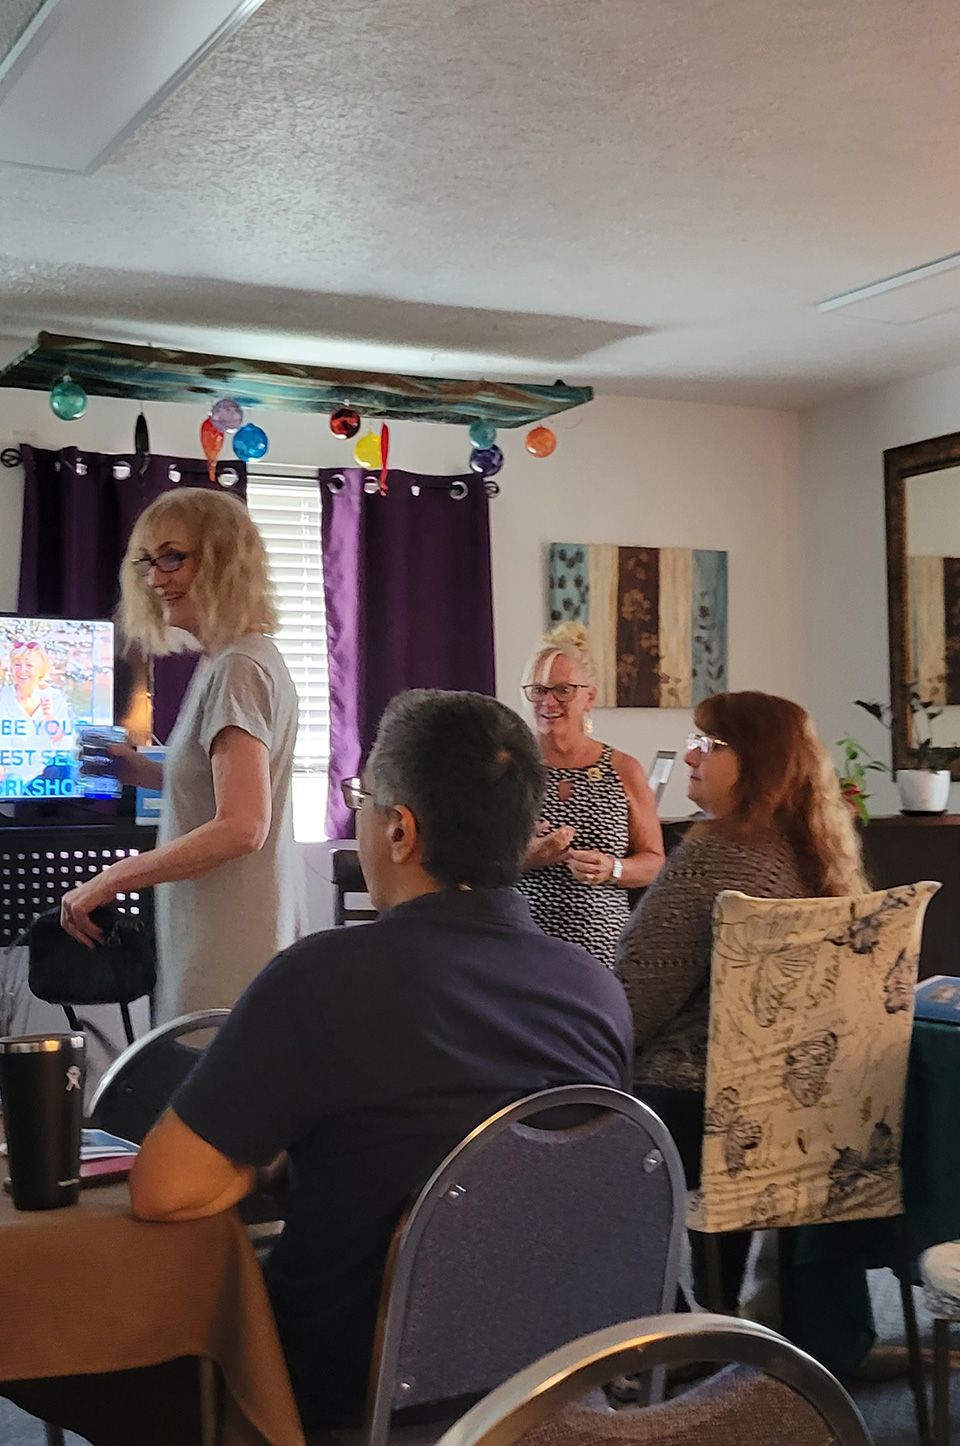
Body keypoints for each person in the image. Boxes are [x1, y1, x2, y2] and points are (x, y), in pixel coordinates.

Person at [129, 690, 633, 1429]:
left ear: (400, 829)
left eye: (361, 797)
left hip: (354, 1393)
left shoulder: (319, 978)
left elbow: (163, 1189)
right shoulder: (596, 991)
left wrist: (270, 1158)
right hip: (554, 1390)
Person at [616, 689, 867, 1306]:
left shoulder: (715, 853)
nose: (692, 756)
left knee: (562, 1105)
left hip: (695, 1104)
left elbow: (634, 1000)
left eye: (709, 744)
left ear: (754, 762)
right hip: (793, 1107)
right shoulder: (814, 856)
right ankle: (723, 1313)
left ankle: (672, 1325)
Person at [59, 487, 306, 1021]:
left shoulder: (238, 669)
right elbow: (224, 787)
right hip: (226, 947)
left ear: (223, 560)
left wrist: (110, 878)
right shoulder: (238, 660)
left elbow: (242, 826)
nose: (155, 578)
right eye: (148, 561)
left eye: (173, 557)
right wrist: (140, 770)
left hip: (228, 957)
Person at [516, 623, 664, 969]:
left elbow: (655, 862)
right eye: (538, 690)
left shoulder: (624, 769)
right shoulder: (507, 771)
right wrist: (528, 857)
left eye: (563, 690)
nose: (548, 701)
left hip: (602, 957)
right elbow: (474, 866)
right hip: (524, 952)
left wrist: (612, 868)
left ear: (589, 698)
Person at [0, 639, 72, 791]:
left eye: (29, 665)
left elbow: (64, 743)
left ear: (41, 670)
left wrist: (49, 717)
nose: (21, 670)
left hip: (48, 778)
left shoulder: (55, 699)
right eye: (17, 664)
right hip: (8, 779)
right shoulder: (2, 697)